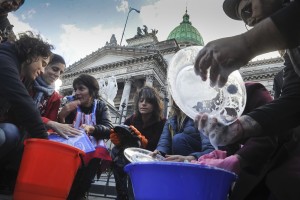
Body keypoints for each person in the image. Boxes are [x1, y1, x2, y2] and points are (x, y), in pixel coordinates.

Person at [194, 0, 300, 199]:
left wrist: (247, 43)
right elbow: (294, 101)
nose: (250, 20)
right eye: (244, 18)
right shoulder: (293, 54)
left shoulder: (253, 90)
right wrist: (233, 130)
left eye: (248, 7)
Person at [0, 31, 53, 192]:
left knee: (11, 132)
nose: (43, 71)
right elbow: (23, 102)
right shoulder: (4, 57)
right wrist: (44, 140)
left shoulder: (19, 72)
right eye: (43, 63)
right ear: (31, 53)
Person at [58, 74, 113, 200]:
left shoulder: (100, 106)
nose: (77, 93)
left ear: (92, 91)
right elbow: (58, 128)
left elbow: (109, 129)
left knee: (83, 182)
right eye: (75, 89)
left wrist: (92, 129)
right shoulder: (68, 102)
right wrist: (62, 115)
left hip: (91, 148)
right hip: (69, 146)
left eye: (81, 89)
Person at [110, 86, 166, 200]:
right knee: (115, 152)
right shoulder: (131, 120)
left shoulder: (162, 123)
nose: (143, 104)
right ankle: (122, 194)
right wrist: (117, 138)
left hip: (150, 158)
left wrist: (141, 141)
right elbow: (121, 144)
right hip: (129, 158)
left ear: (155, 105)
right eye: (141, 101)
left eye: (148, 102)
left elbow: (161, 145)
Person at [29, 53, 81, 138]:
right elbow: (19, 110)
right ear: (44, 66)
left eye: (60, 72)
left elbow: (51, 124)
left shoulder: (55, 97)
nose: (57, 75)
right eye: (55, 69)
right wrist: (50, 123)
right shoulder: (28, 81)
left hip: (35, 133)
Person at [152, 98, 214, 162]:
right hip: (179, 161)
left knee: (178, 139)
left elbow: (210, 151)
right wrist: (159, 153)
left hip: (197, 162)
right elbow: (163, 143)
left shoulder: (201, 116)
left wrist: (189, 158)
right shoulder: (170, 121)